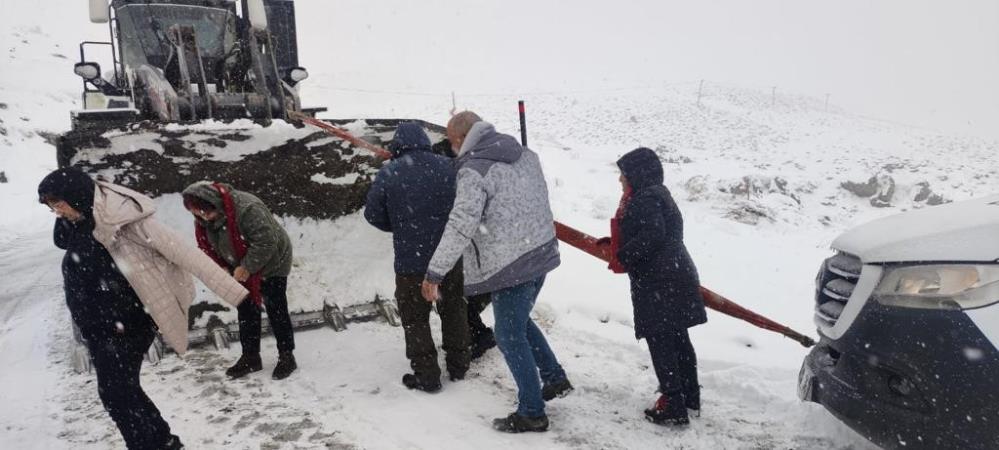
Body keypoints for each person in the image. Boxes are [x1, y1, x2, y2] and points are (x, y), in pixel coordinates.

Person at [39, 167, 248, 450]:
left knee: (116, 394)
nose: (57, 213)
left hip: (129, 323)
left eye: (58, 205)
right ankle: (162, 441)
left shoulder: (128, 222)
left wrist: (238, 296)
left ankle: (151, 444)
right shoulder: (78, 223)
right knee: (122, 391)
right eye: (52, 208)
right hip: (101, 328)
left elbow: (186, 254)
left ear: (75, 196)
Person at [422, 111, 572, 433]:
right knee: (518, 321)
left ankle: (532, 412)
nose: (450, 147)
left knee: (508, 334)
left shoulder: (473, 173)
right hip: (540, 253)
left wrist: (435, 272)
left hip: (510, 266)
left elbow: (460, 225)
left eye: (451, 141)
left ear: (461, 139)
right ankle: (554, 378)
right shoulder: (525, 154)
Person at [363, 122, 470, 392]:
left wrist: (399, 224)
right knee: (454, 308)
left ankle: (427, 375)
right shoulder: (449, 166)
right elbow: (465, 204)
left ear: (397, 145)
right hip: (448, 257)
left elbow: (372, 214)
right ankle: (459, 365)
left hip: (412, 263)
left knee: (415, 319)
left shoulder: (390, 172)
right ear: (425, 141)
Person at [604, 147, 707, 426]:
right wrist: (614, 243)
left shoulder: (644, 198)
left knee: (660, 339)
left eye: (623, 174)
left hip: (659, 280)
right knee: (678, 338)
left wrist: (623, 255)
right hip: (675, 274)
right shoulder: (657, 193)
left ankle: (673, 403)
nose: (620, 180)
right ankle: (688, 396)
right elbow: (650, 231)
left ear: (637, 174)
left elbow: (653, 233)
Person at [181, 181, 298, 380]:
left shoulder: (248, 209)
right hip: (238, 263)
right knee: (246, 308)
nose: (203, 218)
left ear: (214, 203)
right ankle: (251, 357)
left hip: (273, 261)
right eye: (198, 215)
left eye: (206, 213)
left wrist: (247, 268)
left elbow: (266, 242)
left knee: (275, 306)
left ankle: (287, 356)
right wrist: (223, 265)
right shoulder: (203, 218)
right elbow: (207, 246)